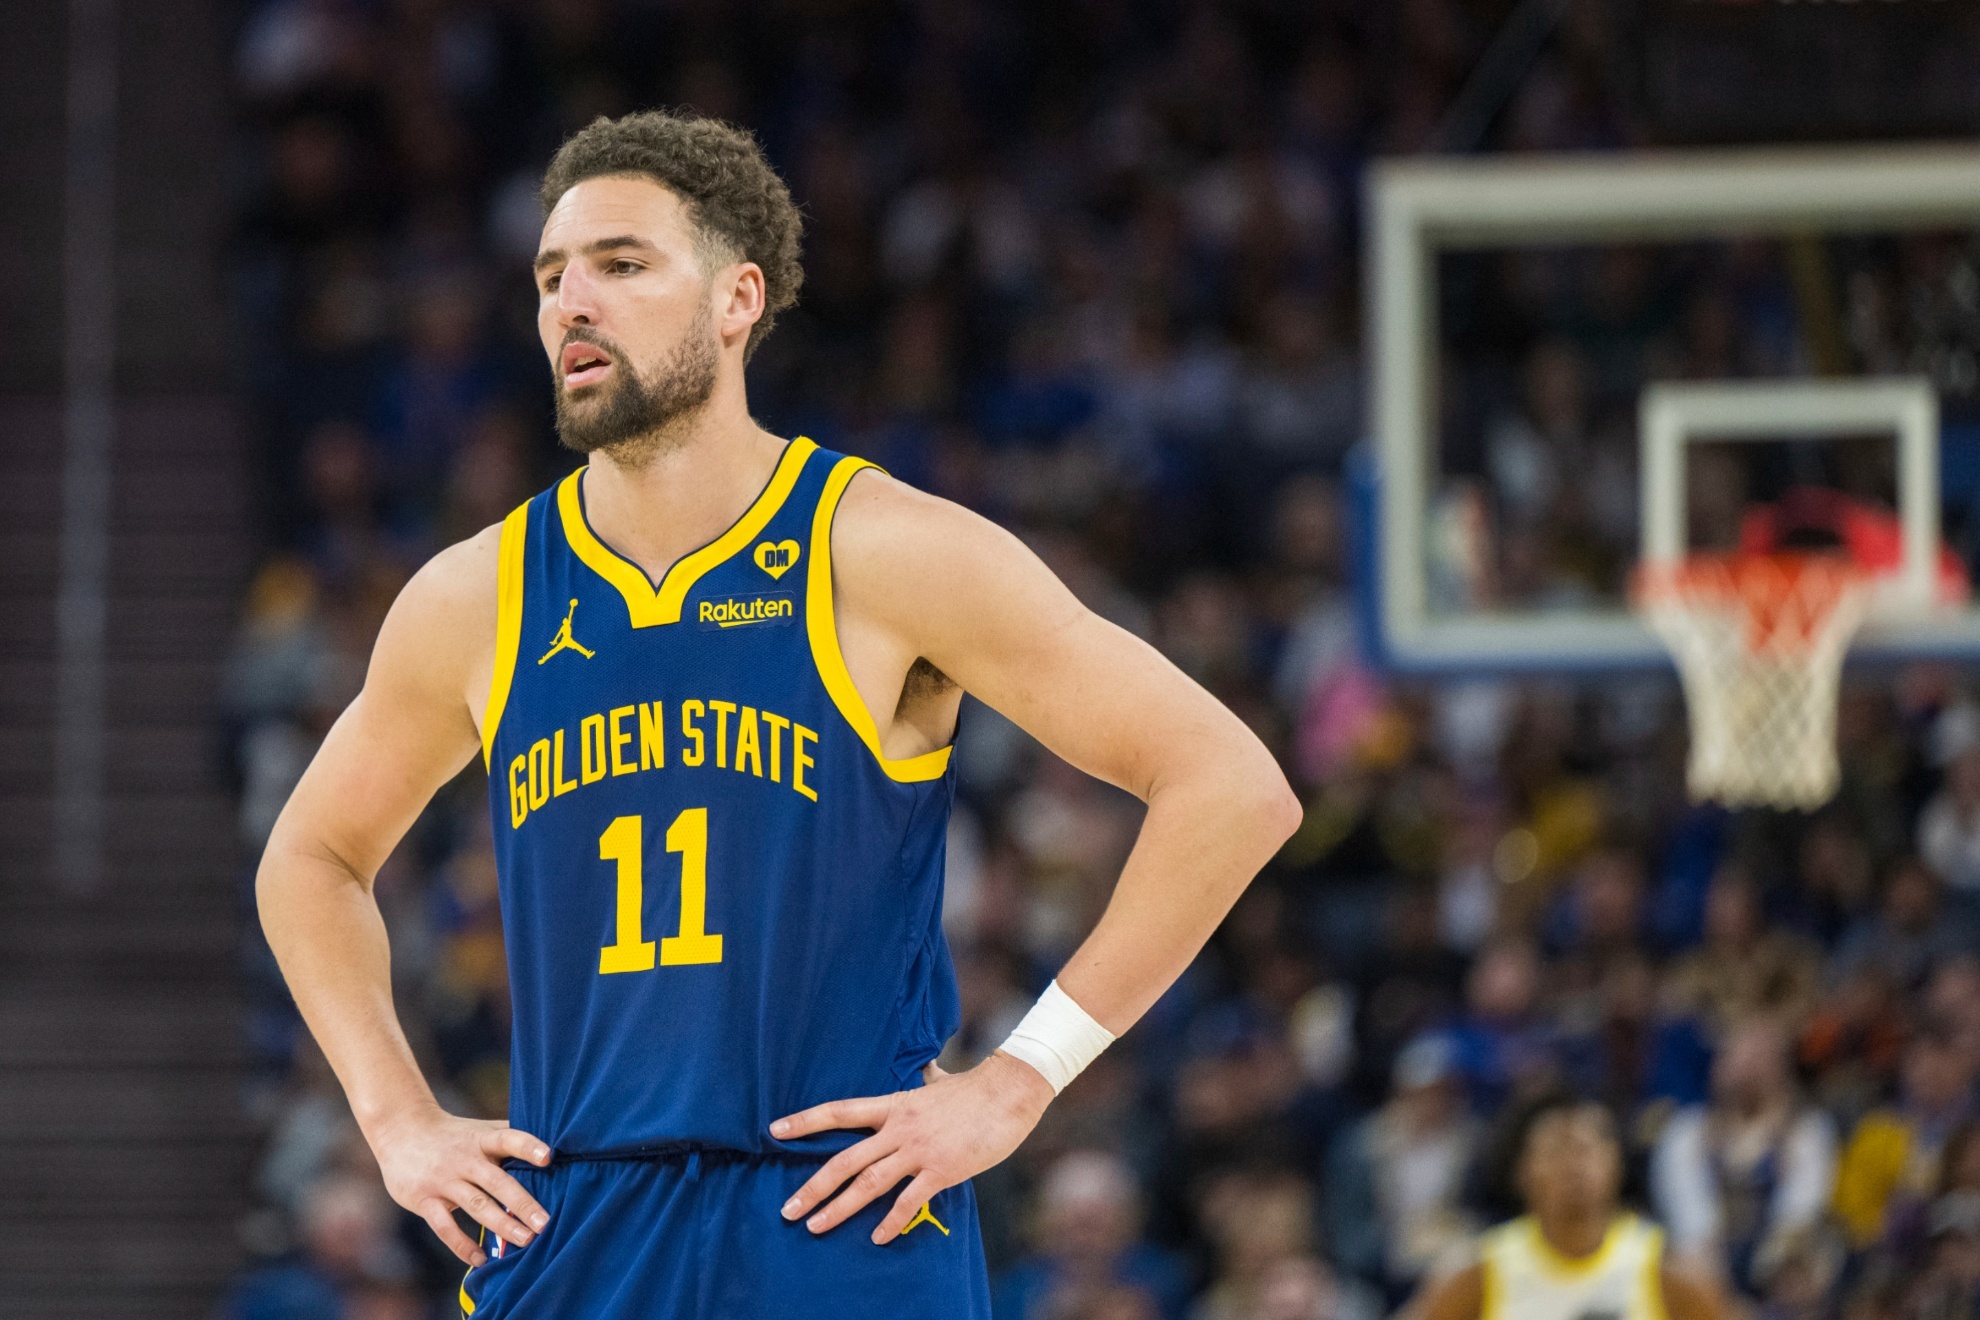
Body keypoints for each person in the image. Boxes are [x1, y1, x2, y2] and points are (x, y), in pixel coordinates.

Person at [253, 108, 1299, 1320]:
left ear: (738, 298)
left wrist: (1021, 1081)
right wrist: (397, 1123)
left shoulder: (886, 551)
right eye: (550, 277)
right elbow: (310, 859)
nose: (570, 304)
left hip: (837, 1218)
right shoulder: (475, 597)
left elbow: (1230, 786)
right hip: (576, 1222)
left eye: (622, 264)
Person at [1412, 1095, 1725, 1320]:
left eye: (1586, 1149)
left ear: (1616, 1166)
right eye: (1556, 1150)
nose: (1573, 1165)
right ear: (1522, 1173)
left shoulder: (1669, 1272)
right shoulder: (1476, 1274)